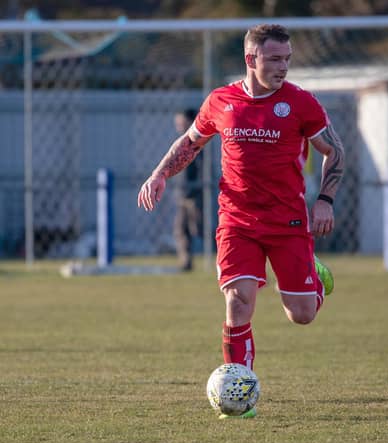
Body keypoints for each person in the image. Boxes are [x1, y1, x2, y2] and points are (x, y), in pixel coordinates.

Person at [138, 24, 345, 416]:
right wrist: (159, 173)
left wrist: (325, 201)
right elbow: (190, 143)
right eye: (274, 59)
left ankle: (314, 277)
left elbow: (334, 151)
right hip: (237, 220)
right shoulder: (221, 100)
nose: (283, 66)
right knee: (238, 302)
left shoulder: (301, 103)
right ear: (251, 59)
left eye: (287, 59)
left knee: (301, 315)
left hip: (287, 221)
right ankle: (239, 392)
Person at [172, 108, 203, 271]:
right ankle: (186, 262)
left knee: (200, 228)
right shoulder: (180, 142)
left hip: (194, 194)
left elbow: (201, 170)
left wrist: (196, 188)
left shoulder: (197, 142)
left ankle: (232, 258)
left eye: (181, 121)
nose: (178, 125)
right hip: (182, 194)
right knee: (180, 229)